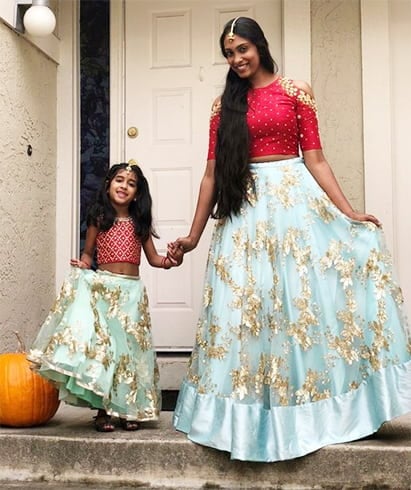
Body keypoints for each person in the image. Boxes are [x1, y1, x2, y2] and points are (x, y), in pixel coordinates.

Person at [171, 17, 411, 462]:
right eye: (228, 52)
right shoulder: (223, 106)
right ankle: (244, 421)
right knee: (247, 308)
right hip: (243, 213)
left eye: (242, 48)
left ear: (259, 46)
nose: (236, 58)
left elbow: (315, 158)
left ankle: (319, 413)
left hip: (295, 207)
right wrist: (192, 235)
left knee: (300, 305)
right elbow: (210, 174)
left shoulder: (296, 90)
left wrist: (348, 212)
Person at [28, 162, 183, 432]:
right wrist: (83, 265)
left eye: (131, 183)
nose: (124, 186)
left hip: (131, 294)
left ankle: (129, 410)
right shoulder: (99, 218)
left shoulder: (140, 223)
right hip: (104, 292)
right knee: (106, 351)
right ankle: (103, 411)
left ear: (137, 193)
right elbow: (89, 254)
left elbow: (156, 259)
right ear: (109, 184)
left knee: (130, 352)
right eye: (119, 180)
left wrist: (172, 261)